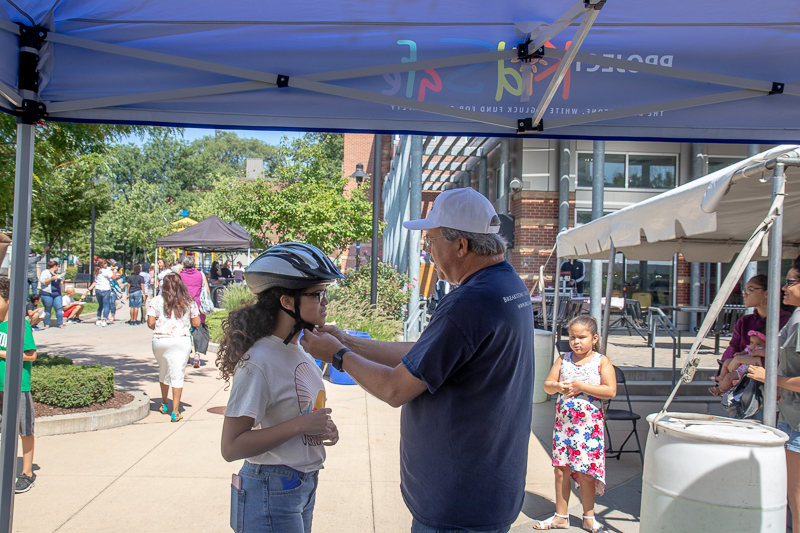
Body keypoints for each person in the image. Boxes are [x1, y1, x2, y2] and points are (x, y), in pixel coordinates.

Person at [301, 187, 535, 532]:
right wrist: (349, 340)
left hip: (457, 503)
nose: (427, 254)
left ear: (461, 246)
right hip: (489, 485)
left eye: (430, 243)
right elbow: (424, 355)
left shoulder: (469, 303)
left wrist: (337, 355)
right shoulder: (507, 285)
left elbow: (395, 389)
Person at [217, 242, 340, 532]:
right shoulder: (259, 360)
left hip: (302, 484)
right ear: (287, 302)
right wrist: (302, 425)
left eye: (326, 293)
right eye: (317, 294)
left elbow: (301, 415)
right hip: (270, 486)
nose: (325, 302)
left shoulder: (301, 351)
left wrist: (325, 428)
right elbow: (231, 446)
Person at [536, 315, 615, 532]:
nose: (576, 341)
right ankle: (561, 516)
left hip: (589, 429)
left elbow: (610, 390)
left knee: (585, 472)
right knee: (561, 470)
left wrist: (582, 387)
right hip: (564, 426)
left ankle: (589, 516)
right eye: (572, 337)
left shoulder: (601, 361)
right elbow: (547, 385)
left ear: (594, 338)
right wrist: (558, 387)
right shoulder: (563, 359)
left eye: (582, 337)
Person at [746, 255, 800, 533]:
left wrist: (772, 379)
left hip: (797, 422)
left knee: (795, 496)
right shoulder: (795, 318)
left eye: (790, 281)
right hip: (791, 416)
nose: (784, 287)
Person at [0, 277, 38, 493]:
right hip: (0, 387)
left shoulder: (19, 324)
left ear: (7, 299)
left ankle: (26, 473)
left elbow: (31, 355)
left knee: (25, 429)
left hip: (17, 386)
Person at [147, 273, 200, 422]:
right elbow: (196, 322)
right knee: (177, 374)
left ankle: (164, 403)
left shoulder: (156, 301)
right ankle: (175, 411)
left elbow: (150, 323)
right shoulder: (188, 301)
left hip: (160, 340)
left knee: (163, 370)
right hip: (181, 341)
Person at [720, 274, 791, 367]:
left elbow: (785, 357)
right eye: (744, 290)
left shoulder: (787, 321)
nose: (744, 294)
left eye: (750, 290)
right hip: (741, 376)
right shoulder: (744, 321)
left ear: (767, 293)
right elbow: (734, 349)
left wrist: (741, 360)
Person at [179, 255, 210, 368]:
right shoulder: (200, 275)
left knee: (185, 331)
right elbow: (206, 289)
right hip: (197, 306)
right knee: (198, 330)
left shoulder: (180, 276)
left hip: (183, 306)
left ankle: (187, 354)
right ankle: (197, 355)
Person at [38, 260, 64, 329]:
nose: (58, 268)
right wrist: (52, 278)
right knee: (48, 309)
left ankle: (60, 324)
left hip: (57, 293)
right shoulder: (45, 272)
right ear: (55, 266)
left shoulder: (56, 273)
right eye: (58, 266)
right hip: (47, 293)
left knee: (59, 308)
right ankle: (47, 324)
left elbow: (58, 282)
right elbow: (43, 281)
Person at [87, 259, 113, 327]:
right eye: (106, 264)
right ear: (103, 264)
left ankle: (98, 319)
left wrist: (89, 289)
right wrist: (117, 274)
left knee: (100, 305)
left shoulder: (97, 271)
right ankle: (104, 320)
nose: (106, 265)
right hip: (105, 289)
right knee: (106, 305)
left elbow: (95, 281)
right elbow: (113, 277)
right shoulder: (106, 271)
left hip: (98, 289)